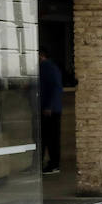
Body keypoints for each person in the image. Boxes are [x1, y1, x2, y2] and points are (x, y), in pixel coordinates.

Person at [38, 46, 63, 174]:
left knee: (50, 138)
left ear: (40, 55)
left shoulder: (46, 66)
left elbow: (55, 87)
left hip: (49, 110)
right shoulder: (50, 66)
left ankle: (53, 164)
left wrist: (49, 106)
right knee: (48, 137)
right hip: (51, 109)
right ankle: (50, 164)